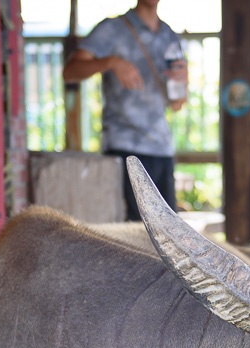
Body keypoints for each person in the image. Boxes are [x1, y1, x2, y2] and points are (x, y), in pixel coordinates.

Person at [63, 0, 187, 221]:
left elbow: (177, 104)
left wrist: (182, 83)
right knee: (133, 233)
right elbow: (70, 71)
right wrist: (110, 62)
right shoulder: (113, 29)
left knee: (169, 233)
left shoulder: (170, 36)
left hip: (161, 148)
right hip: (124, 147)